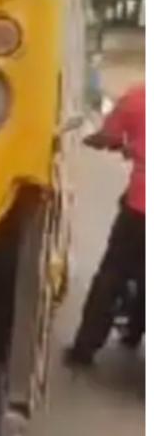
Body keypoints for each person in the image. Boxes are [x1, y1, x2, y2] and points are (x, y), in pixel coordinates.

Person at [65, 80, 145, 366]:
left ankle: (84, 349)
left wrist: (91, 139)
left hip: (141, 210)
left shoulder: (138, 97)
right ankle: (133, 333)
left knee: (113, 275)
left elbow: (107, 137)